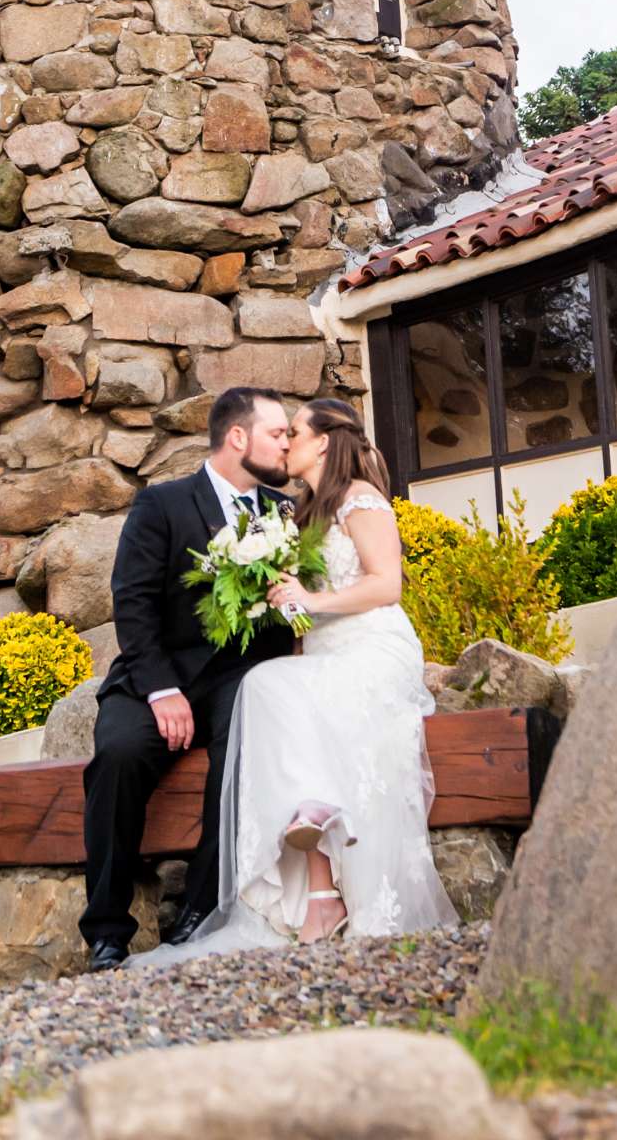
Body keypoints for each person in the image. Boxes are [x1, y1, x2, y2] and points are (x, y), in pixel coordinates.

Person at [148, 394, 456, 959]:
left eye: (294, 432)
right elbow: (305, 612)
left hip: (371, 648)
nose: (285, 442)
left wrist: (310, 599)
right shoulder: (300, 513)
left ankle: (323, 872)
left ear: (324, 441)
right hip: (321, 652)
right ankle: (318, 890)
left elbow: (387, 585)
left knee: (270, 686)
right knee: (267, 684)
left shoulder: (359, 499)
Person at [79, 385, 296, 971]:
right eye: (278, 433)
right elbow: (134, 601)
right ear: (237, 437)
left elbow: (286, 619)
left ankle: (199, 909)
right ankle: (105, 929)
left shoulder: (283, 512)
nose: (287, 444)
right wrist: (161, 689)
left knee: (245, 750)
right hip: (160, 674)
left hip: (241, 678)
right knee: (119, 754)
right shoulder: (163, 504)